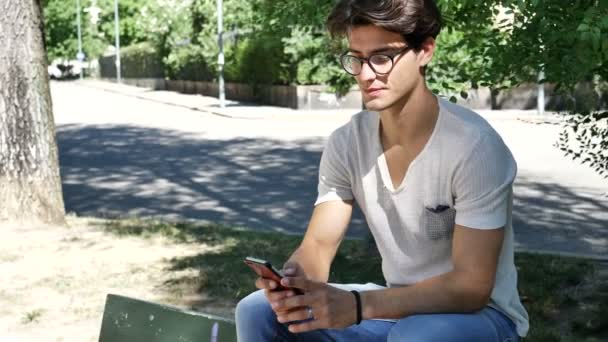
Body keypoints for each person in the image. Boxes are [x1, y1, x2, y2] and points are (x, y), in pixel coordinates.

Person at [235, 0, 529, 340]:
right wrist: (292, 284)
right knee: (258, 311)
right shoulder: (348, 142)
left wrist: (359, 305)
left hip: (482, 318)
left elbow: (472, 286)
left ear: (425, 51)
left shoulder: (474, 147)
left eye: (381, 57)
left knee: (416, 337)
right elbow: (317, 245)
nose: (365, 74)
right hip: (398, 311)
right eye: (356, 58)